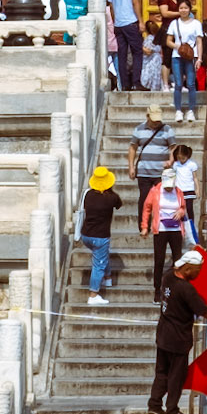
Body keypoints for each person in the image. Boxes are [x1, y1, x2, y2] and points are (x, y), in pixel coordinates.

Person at [148, 251, 207, 414]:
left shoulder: (168, 277)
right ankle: (172, 409)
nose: (199, 273)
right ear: (188, 268)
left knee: (161, 372)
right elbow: (204, 311)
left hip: (163, 334)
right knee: (177, 375)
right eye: (198, 270)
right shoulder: (186, 289)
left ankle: (154, 405)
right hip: (178, 339)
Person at [142, 162, 193, 297]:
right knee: (159, 260)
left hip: (175, 229)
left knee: (178, 259)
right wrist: (144, 227)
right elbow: (147, 208)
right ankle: (157, 290)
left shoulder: (179, 192)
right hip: (161, 229)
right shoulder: (155, 191)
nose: (169, 189)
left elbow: (183, 207)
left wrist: (181, 211)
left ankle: (176, 288)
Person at [80, 165, 121, 307]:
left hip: (86, 234)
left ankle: (108, 277)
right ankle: (93, 294)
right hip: (100, 236)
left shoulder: (88, 195)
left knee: (101, 256)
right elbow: (119, 204)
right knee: (98, 264)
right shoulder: (112, 198)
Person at [127, 103, 175, 219]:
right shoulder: (139, 129)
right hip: (144, 171)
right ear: (147, 116)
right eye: (153, 120)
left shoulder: (167, 129)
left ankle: (160, 225)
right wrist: (131, 167)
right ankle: (143, 226)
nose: (156, 123)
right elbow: (133, 148)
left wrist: (171, 160)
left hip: (162, 173)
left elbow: (173, 147)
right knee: (144, 199)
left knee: (163, 200)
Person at [108, 0, 144, 90]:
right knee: (137, 52)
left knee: (122, 54)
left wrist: (115, 21)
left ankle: (124, 84)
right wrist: (140, 21)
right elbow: (135, 2)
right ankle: (136, 81)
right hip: (131, 22)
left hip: (119, 24)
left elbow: (111, 7)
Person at [169, 0, 204, 116]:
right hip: (176, 56)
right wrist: (178, 47)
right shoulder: (174, 23)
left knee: (190, 84)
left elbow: (199, 41)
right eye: (181, 8)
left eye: (185, 8)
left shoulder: (196, 24)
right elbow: (168, 41)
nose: (183, 10)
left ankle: (191, 110)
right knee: (178, 84)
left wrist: (199, 58)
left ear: (190, 9)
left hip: (191, 56)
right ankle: (178, 110)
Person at [172, 141, 199, 226]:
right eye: (179, 158)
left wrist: (197, 189)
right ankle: (181, 225)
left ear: (187, 156)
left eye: (183, 158)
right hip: (179, 190)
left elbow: (195, 177)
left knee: (189, 208)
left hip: (189, 189)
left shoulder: (191, 164)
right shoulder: (176, 164)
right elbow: (173, 177)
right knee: (179, 208)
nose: (181, 160)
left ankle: (191, 225)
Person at [140, 15, 166, 94]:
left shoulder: (149, 38)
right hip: (158, 60)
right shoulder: (159, 37)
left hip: (151, 61)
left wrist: (141, 48)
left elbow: (148, 51)